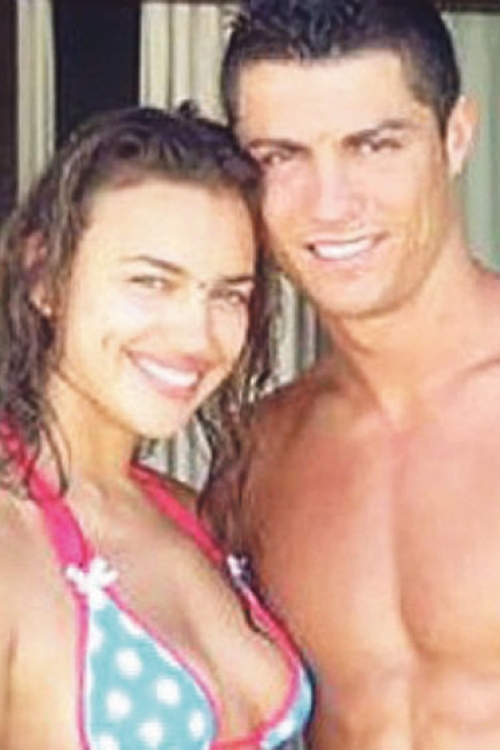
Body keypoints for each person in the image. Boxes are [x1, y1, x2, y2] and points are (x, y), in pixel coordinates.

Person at [211, 0, 500, 747]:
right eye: (281, 156)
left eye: (374, 145)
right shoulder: (261, 452)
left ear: (456, 136)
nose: (330, 205)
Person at [0, 105, 313, 749]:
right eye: (151, 282)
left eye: (228, 294)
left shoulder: (195, 513)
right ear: (44, 276)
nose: (195, 336)